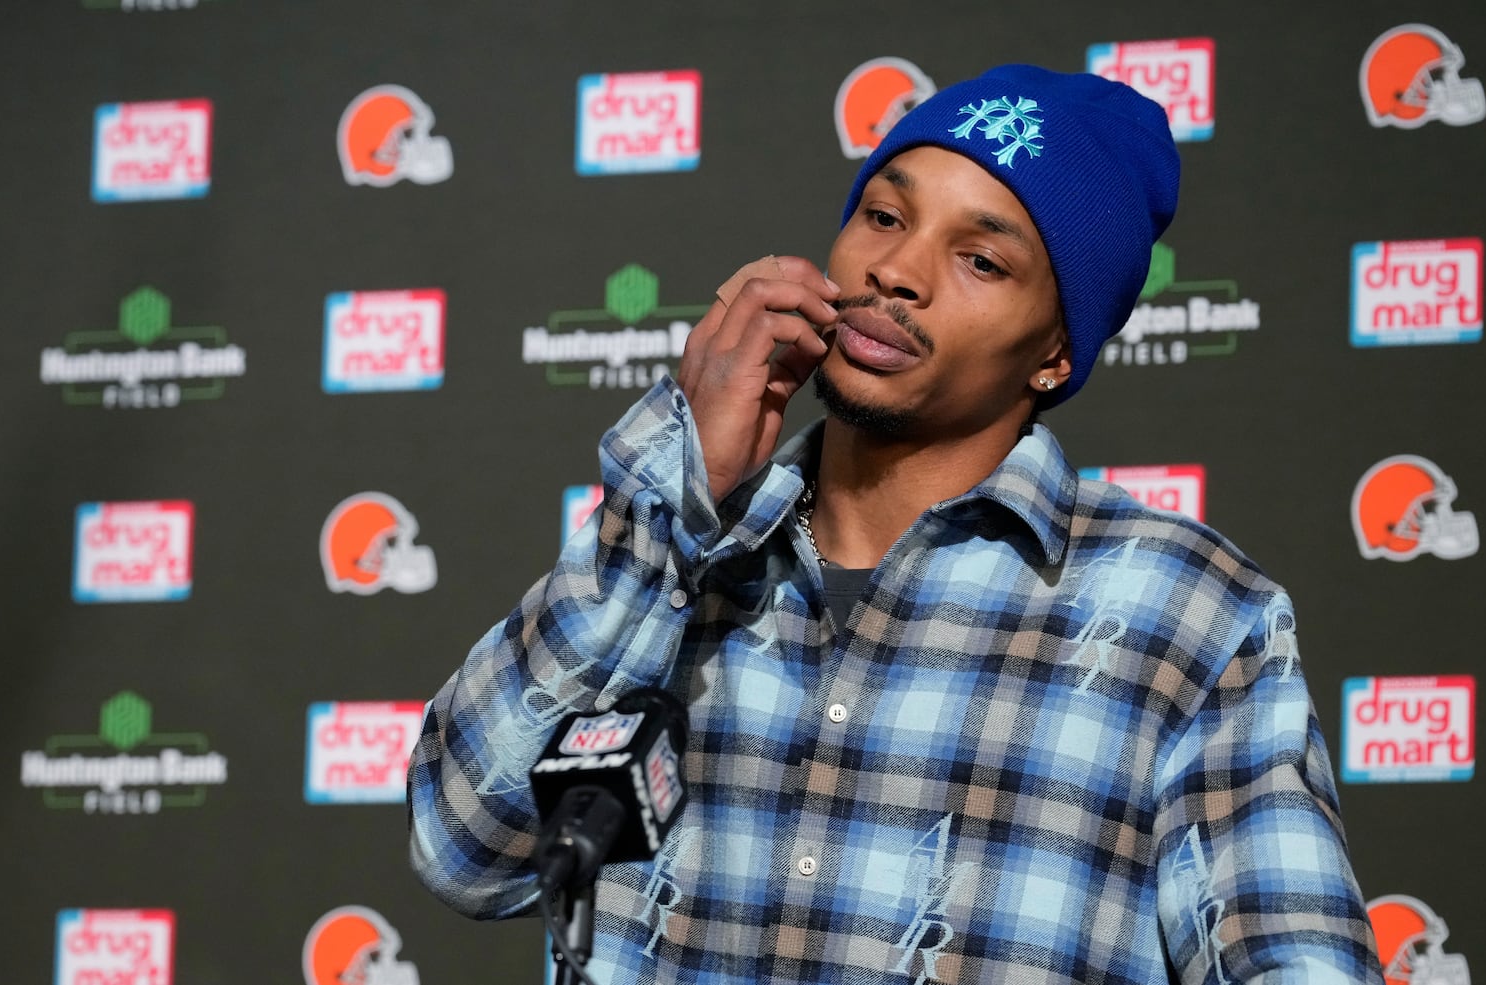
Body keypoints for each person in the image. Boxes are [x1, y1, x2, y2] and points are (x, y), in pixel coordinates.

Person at [408, 64, 1384, 985]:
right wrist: (670, 503)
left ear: (1054, 352)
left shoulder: (1192, 616)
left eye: (981, 258)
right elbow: (466, 851)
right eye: (884, 214)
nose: (899, 271)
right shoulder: (674, 560)